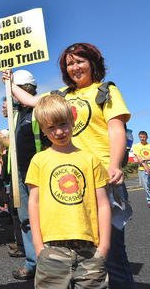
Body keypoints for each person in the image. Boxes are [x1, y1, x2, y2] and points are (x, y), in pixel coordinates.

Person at [5, 43, 135, 288]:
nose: (75, 67)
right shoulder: (62, 95)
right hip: (71, 179)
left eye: (80, 61)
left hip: (103, 177)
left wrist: (116, 164)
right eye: (69, 63)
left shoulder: (105, 91)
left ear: (92, 63)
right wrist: (9, 82)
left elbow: (116, 128)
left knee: (112, 256)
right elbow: (32, 101)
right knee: (78, 254)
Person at [27, 94, 111, 288]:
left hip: (90, 251)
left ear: (73, 121)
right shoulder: (39, 161)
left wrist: (104, 247)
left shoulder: (91, 160)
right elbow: (34, 202)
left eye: (63, 124)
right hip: (51, 249)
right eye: (51, 127)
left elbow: (103, 204)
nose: (58, 132)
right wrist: (38, 246)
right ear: (42, 129)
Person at [0, 69, 49, 280]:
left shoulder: (43, 107)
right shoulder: (18, 115)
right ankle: (33, 263)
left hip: (42, 173)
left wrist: (10, 83)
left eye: (16, 91)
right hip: (22, 173)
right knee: (25, 219)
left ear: (27, 90)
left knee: (45, 219)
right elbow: (12, 144)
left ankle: (50, 264)